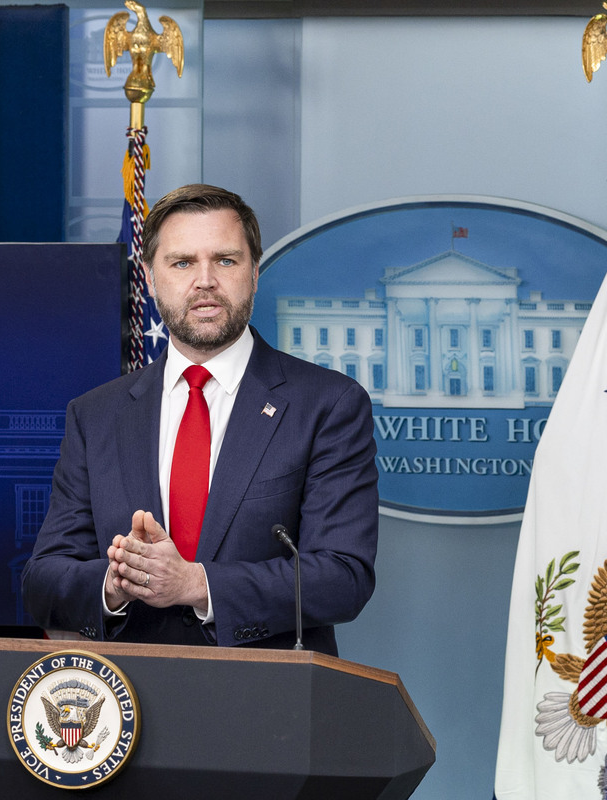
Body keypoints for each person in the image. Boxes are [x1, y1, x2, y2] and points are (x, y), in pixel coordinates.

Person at [21, 184, 378, 655]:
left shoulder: (328, 404)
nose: (205, 280)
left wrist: (195, 583)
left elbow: (342, 577)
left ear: (254, 274)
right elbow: (44, 579)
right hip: (126, 701)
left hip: (268, 704)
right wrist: (114, 583)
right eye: (182, 262)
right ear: (150, 278)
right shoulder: (96, 415)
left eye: (226, 261)